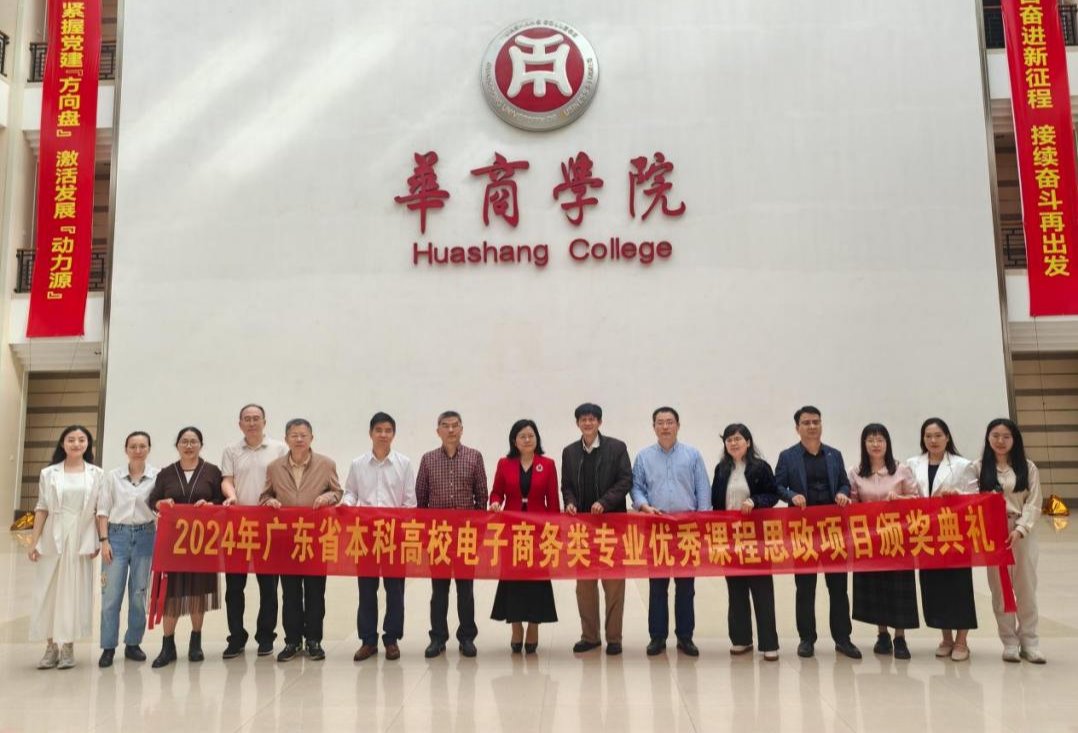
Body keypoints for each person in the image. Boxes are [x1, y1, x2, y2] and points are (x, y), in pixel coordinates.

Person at [775, 405, 861, 660]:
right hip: (803, 531)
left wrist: (843, 493)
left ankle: (843, 639)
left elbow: (844, 483)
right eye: (806, 422)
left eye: (816, 422)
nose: (812, 426)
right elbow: (777, 485)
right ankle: (806, 639)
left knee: (838, 588)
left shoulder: (834, 455)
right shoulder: (788, 456)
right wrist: (792, 495)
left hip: (833, 531)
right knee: (805, 588)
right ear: (797, 428)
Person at [260, 418, 342, 662]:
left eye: (303, 435)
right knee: (290, 593)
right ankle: (292, 641)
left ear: (311, 438)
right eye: (294, 435)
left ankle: (314, 640)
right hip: (286, 540)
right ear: (286, 439)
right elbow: (265, 496)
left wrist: (328, 498)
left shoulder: (326, 464)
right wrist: (269, 501)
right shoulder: (274, 467)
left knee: (316, 592)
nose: (298, 439)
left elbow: (338, 492)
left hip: (316, 539)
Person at [631, 406, 711, 657]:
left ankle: (685, 637)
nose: (665, 426)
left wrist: (702, 522)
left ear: (678, 425)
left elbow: (703, 490)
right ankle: (657, 637)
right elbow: (636, 488)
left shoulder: (692, 455)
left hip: (687, 530)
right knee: (657, 586)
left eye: (669, 422)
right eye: (660, 422)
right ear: (653, 427)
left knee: (686, 587)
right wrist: (643, 505)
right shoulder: (643, 457)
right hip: (657, 529)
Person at [28, 425, 105, 670]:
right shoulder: (48, 473)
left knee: (74, 592)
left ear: (88, 444)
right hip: (53, 536)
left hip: (80, 537)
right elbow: (42, 508)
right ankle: (51, 647)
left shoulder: (96, 474)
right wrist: (34, 541)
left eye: (82, 439)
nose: (76, 444)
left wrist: (98, 540)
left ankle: (69, 647)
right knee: (49, 591)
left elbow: (98, 510)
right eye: (71, 439)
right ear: (63, 444)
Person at [147, 426, 224, 668]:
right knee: (171, 593)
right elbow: (152, 500)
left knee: (197, 592)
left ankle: (195, 642)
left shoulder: (212, 471)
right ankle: (167, 645)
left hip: (202, 543)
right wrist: (161, 503)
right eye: (184, 441)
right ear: (177, 445)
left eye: (193, 441)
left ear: (201, 445)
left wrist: (210, 504)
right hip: (173, 543)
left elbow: (221, 501)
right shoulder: (166, 473)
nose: (189, 446)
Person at [342, 411, 416, 662]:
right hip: (364, 535)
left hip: (394, 535)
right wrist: (347, 504)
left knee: (395, 590)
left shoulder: (404, 463)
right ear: (370, 433)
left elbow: (409, 502)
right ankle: (368, 641)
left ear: (393, 434)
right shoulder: (358, 464)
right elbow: (350, 492)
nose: (383, 435)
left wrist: (397, 523)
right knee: (366, 589)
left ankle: (391, 639)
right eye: (379, 430)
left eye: (388, 431)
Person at [970, 418, 1044, 664]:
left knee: (1026, 587)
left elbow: (1034, 503)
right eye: (995, 436)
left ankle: (1030, 642)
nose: (1000, 441)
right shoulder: (978, 467)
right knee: (1000, 589)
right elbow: (967, 497)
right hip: (993, 534)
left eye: (1006, 436)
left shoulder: (1028, 467)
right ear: (988, 438)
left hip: (1022, 533)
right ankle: (1009, 642)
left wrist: (1021, 529)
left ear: (1015, 440)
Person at [561, 402, 632, 656]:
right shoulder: (569, 452)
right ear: (577, 423)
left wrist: (605, 502)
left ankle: (614, 638)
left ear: (599, 422)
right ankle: (590, 637)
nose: (588, 423)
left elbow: (625, 480)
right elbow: (566, 485)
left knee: (614, 585)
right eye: (583, 419)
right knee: (585, 587)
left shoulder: (617, 447)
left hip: (612, 527)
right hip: (582, 530)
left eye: (592, 419)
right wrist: (569, 502)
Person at [415, 410, 488, 658]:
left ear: (461, 429)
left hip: (466, 536)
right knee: (439, 591)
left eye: (455, 425)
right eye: (445, 426)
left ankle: (467, 638)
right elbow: (421, 501)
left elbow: (482, 498)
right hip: (438, 537)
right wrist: (425, 536)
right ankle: (438, 638)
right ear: (438, 431)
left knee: (465, 590)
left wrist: (478, 534)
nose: (450, 430)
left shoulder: (474, 457)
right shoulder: (428, 460)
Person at [220, 403, 288, 659]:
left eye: (256, 418)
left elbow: (285, 482)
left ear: (264, 422)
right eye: (246, 419)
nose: (251, 422)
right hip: (238, 527)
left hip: (269, 527)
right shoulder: (231, 450)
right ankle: (236, 637)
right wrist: (232, 496)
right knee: (234, 587)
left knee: (268, 587)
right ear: (240, 424)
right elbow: (227, 479)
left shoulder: (279, 449)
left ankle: (266, 637)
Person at [847, 423, 920, 659]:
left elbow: (917, 499)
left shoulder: (901, 469)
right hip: (870, 540)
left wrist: (899, 498)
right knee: (876, 586)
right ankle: (882, 634)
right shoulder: (856, 472)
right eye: (870, 440)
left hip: (897, 538)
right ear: (864, 444)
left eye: (880, 440)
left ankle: (900, 637)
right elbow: (852, 503)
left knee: (899, 587)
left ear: (887, 443)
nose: (876, 444)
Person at [906, 417, 976, 662]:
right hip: (926, 536)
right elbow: (910, 495)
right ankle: (946, 638)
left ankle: (962, 641)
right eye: (928, 436)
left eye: (938, 435)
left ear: (947, 437)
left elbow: (975, 496)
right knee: (934, 587)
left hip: (954, 534)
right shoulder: (912, 464)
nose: (933, 440)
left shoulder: (962, 465)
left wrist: (958, 495)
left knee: (959, 587)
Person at [711, 423, 780, 661]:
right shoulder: (721, 469)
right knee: (736, 590)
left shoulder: (760, 467)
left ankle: (769, 643)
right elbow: (716, 502)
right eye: (729, 439)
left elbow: (773, 494)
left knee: (762, 591)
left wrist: (755, 501)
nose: (733, 443)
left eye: (738, 439)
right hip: (730, 539)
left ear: (748, 442)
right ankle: (741, 639)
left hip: (756, 538)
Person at [489, 419, 560, 654]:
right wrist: (495, 503)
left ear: (537, 438)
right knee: (513, 581)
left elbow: (553, 501)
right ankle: (516, 626)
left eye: (531, 435)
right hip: (512, 531)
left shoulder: (547, 464)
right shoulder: (505, 463)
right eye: (522, 436)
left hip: (539, 532)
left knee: (536, 581)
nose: (527, 440)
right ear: (514, 440)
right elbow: (496, 492)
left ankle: (534, 626)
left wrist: (555, 532)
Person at [97, 431, 158, 668]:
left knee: (139, 594)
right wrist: (104, 540)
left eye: (142, 446)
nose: (138, 450)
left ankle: (133, 643)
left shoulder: (157, 476)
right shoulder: (113, 477)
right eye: (133, 446)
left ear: (149, 449)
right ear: (126, 449)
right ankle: (108, 646)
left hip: (145, 536)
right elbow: (103, 510)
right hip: (117, 536)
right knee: (111, 595)